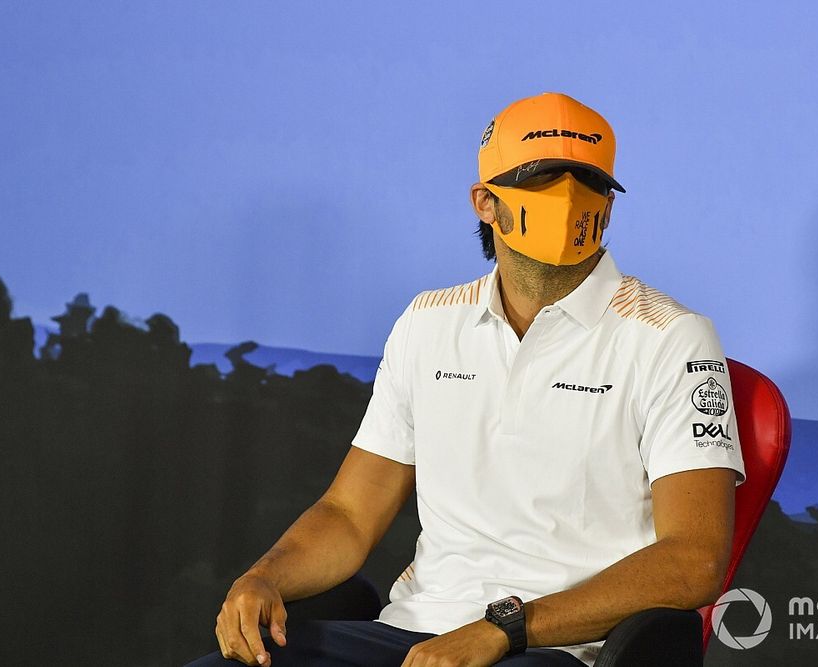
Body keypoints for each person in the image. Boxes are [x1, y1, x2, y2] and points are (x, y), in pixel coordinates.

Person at [188, 92, 746, 667]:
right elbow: (350, 515)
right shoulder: (427, 323)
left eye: (589, 180)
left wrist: (503, 629)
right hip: (414, 635)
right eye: (543, 177)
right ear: (485, 201)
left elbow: (693, 560)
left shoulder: (669, 337)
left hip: (561, 650)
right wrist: (263, 578)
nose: (569, 196)